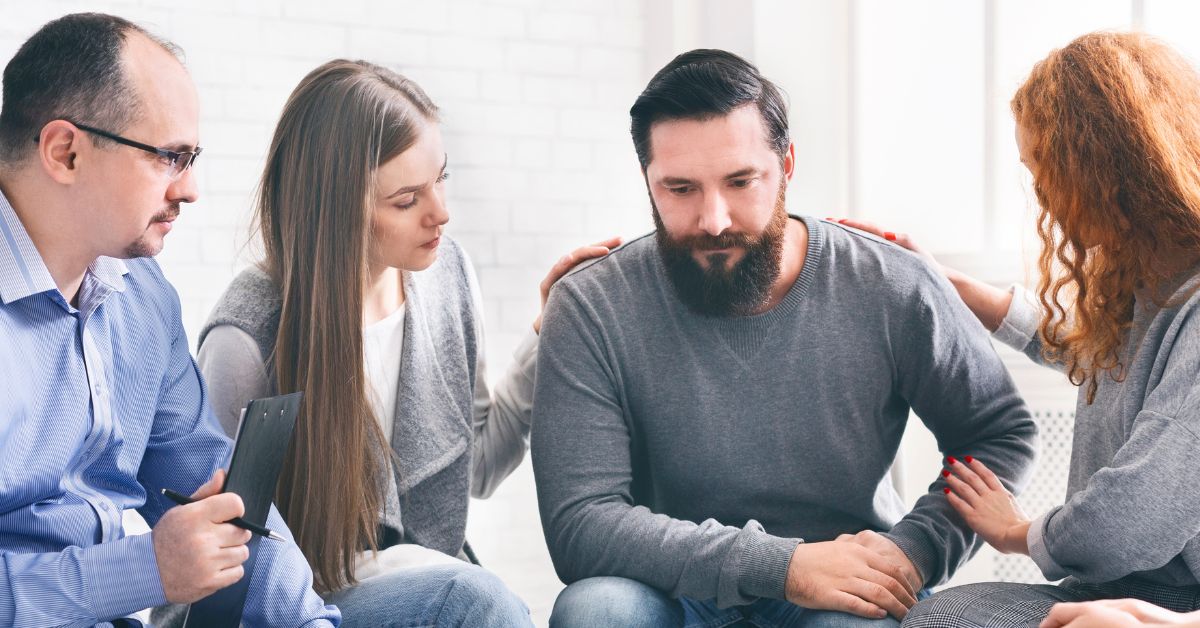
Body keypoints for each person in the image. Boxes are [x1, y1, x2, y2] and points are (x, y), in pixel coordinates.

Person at [531, 48, 1038, 628]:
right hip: (669, 587)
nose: (714, 219)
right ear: (648, 182)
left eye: (741, 181)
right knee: (597, 612)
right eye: (680, 189)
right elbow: (581, 523)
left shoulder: (892, 281)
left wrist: (913, 552)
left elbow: (996, 433)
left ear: (788, 165)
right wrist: (784, 566)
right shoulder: (590, 303)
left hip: (845, 583)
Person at [159, 59, 618, 627]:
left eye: (440, 178)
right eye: (406, 200)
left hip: (427, 580)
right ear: (337, 210)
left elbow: (478, 466)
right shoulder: (247, 338)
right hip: (289, 604)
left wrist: (547, 335)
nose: (441, 214)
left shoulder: (446, 276)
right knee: (477, 601)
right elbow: (227, 559)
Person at [838, 31, 1200, 628]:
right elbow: (1089, 345)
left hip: (1175, 598)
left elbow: (1136, 517)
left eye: (1048, 174)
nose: (1043, 200)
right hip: (1119, 580)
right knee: (942, 618)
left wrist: (1018, 533)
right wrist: (940, 279)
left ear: (1109, 169)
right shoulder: (1149, 277)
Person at [0, 12, 339, 627]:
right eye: (169, 157)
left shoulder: (142, 296)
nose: (190, 189)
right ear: (65, 152)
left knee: (465, 603)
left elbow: (216, 485)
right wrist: (145, 571)